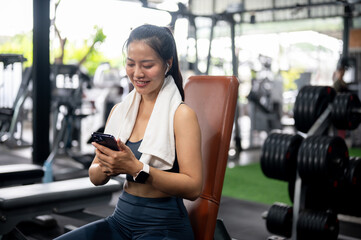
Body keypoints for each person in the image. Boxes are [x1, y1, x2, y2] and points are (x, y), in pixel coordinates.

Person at [55, 24, 202, 240]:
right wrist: (109, 166)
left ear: (167, 64)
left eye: (147, 65)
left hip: (163, 227)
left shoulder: (181, 115)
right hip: (120, 220)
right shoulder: (120, 111)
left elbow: (193, 187)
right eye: (131, 64)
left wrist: (136, 168)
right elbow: (95, 176)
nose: (137, 73)